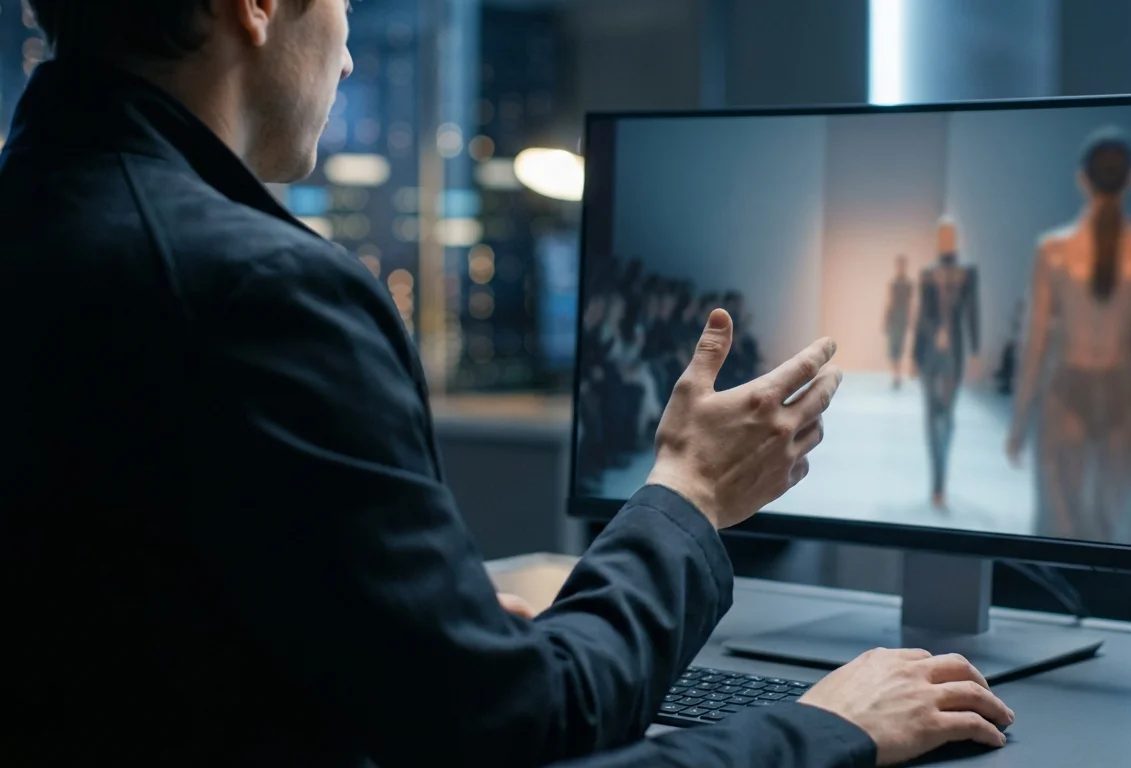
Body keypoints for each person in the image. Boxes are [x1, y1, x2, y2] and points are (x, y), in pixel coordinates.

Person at [0, 1, 1013, 766]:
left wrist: (419, 633)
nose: (350, 45)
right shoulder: (256, 292)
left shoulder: (50, 224)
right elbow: (518, 743)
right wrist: (814, 721)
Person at [1005, 129, 1131, 546]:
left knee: (1060, 528)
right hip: (1122, 394)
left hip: (1066, 389)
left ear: (1083, 179)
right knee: (1116, 532)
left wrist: (1019, 423)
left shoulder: (1054, 250)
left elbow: (1034, 345)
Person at [913, 218, 980, 508]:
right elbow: (921, 316)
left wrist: (976, 350)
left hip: (954, 355)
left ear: (956, 239)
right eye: (942, 235)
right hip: (929, 353)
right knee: (931, 416)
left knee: (947, 417)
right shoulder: (927, 274)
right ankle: (936, 483)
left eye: (950, 235)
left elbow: (972, 311)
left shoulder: (967, 274)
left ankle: (943, 475)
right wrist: (914, 354)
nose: (946, 240)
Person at [882, 255, 914, 389]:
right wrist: (886, 320)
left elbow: (911, 303)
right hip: (895, 318)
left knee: (899, 348)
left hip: (902, 319)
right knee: (893, 348)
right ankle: (896, 376)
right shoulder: (894, 283)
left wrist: (911, 320)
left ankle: (898, 376)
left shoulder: (908, 284)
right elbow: (890, 302)